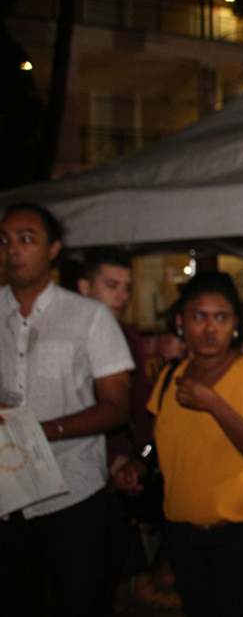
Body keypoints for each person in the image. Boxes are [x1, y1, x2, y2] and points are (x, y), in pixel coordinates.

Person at [117, 271, 243, 617]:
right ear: (181, 322)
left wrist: (215, 405)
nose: (210, 328)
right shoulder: (171, 376)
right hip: (182, 535)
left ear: (235, 325)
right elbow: (160, 446)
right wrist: (137, 466)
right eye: (199, 317)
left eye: (221, 318)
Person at [0, 203, 134, 617]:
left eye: (26, 239)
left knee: (79, 602)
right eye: (4, 240)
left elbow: (118, 407)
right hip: (7, 493)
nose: (13, 250)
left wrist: (45, 430)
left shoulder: (88, 316)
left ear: (54, 248)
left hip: (71, 490)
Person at [76, 246, 180, 608]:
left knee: (108, 575)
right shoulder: (70, 340)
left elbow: (139, 409)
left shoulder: (128, 336)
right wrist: (113, 460)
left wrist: (136, 460)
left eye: (127, 287)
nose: (122, 295)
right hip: (81, 475)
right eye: (112, 285)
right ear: (84, 287)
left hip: (122, 473)